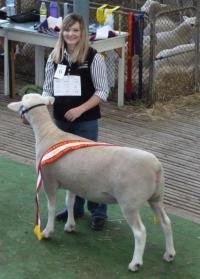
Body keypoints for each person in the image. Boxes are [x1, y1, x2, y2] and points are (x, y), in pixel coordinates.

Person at [42, 13, 109, 231]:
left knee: (91, 167)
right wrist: (47, 100)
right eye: (67, 30)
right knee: (68, 168)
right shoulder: (54, 57)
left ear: (82, 33)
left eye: (76, 30)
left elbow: (102, 90)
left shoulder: (93, 57)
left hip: (86, 121)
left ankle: (98, 211)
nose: (71, 34)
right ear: (62, 32)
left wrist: (80, 109)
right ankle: (75, 209)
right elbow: (47, 88)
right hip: (60, 122)